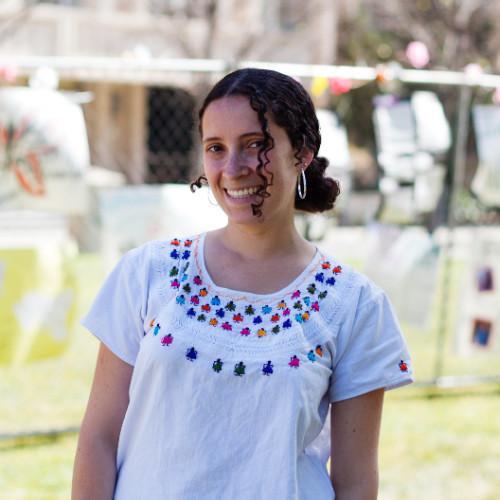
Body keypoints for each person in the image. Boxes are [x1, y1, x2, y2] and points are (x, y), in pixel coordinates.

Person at [72, 68, 413, 500]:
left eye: (255, 145)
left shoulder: (355, 305)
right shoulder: (147, 274)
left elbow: (356, 480)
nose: (233, 168)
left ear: (303, 152)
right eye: (216, 148)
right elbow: (99, 438)